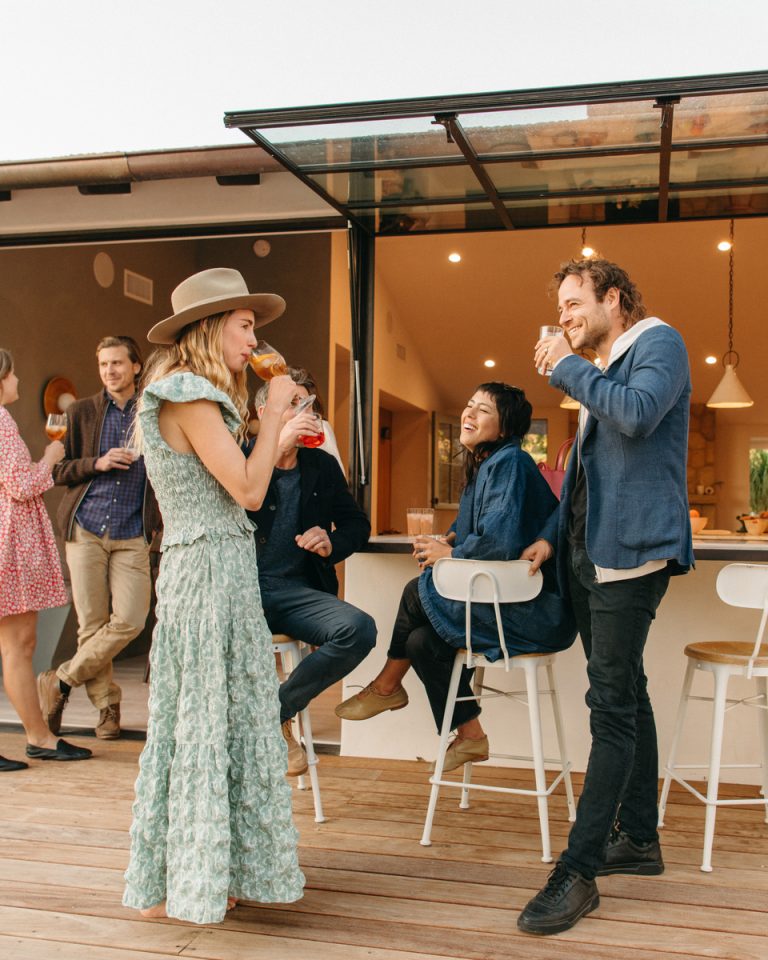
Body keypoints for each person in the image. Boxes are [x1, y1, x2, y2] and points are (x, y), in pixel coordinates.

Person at [517, 258, 693, 936]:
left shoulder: (657, 342)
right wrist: (550, 540)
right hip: (591, 556)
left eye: (573, 302)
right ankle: (639, 840)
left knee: (610, 709)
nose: (565, 316)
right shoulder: (608, 362)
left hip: (631, 555)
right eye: (560, 306)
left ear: (613, 298)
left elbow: (641, 416)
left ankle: (579, 869)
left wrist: (566, 366)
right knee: (625, 693)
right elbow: (590, 477)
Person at [122, 267, 304, 924]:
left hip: (216, 571)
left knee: (217, 719)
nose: (254, 337)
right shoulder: (187, 395)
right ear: (211, 327)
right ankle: (196, 876)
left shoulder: (197, 396)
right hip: (206, 578)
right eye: (246, 324)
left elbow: (238, 480)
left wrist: (266, 429)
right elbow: (250, 493)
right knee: (202, 722)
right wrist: (276, 410)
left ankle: (214, 867)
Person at [335, 382, 576, 771]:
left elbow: (498, 543)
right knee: (419, 642)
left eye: (482, 410)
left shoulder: (511, 462)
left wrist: (450, 554)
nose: (468, 413)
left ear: (505, 427)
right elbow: (478, 533)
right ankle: (470, 737)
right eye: (469, 405)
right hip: (503, 607)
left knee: (418, 591)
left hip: (533, 613)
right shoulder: (484, 464)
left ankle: (386, 686)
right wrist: (448, 541)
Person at [247, 368, 375, 776]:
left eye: (308, 405)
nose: (305, 411)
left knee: (359, 628)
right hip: (238, 589)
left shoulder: (320, 465)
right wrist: (275, 447)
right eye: (293, 403)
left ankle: (275, 713)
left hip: (295, 592)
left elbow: (357, 524)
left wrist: (330, 541)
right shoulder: (237, 454)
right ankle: (270, 732)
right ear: (263, 410)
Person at [38, 336, 160, 740]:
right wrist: (99, 462)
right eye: (104, 364)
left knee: (129, 619)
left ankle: (60, 680)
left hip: (132, 532)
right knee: (91, 624)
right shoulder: (83, 411)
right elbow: (59, 470)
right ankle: (107, 708)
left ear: (136, 367)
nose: (110, 371)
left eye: (117, 364)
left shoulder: (154, 410)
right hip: (86, 528)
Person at [0, 348, 92, 769]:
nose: (18, 380)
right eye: (13, 374)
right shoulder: (0, 421)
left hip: (10, 542)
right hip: (10, 546)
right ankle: (39, 737)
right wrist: (51, 459)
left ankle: (40, 736)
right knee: (19, 646)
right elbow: (21, 485)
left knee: (17, 646)